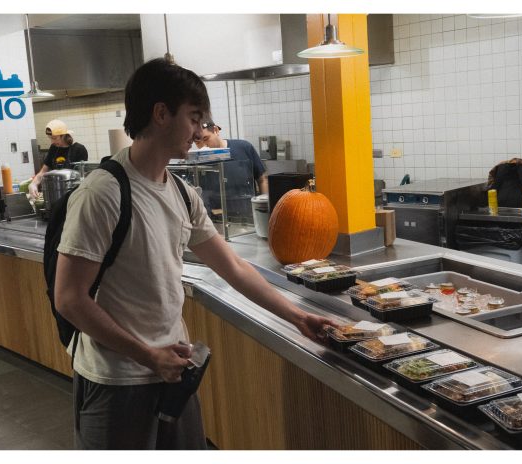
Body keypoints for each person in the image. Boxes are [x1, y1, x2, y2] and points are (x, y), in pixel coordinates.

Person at [54, 58, 336, 450]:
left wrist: (297, 315)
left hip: (173, 371)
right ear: (161, 114)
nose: (200, 131)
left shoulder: (182, 193)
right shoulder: (103, 193)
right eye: (194, 117)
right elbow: (69, 299)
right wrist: (148, 355)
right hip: (116, 380)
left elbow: (234, 267)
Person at [195, 121, 268, 195]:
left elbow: (262, 180)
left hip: (246, 204)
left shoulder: (244, 148)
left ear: (216, 130)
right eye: (198, 142)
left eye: (206, 139)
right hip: (216, 206)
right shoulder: (198, 162)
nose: (204, 146)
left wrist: (264, 204)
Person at [29, 119, 88, 198]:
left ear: (63, 135)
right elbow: (43, 171)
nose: (52, 142)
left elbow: (82, 176)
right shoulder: (54, 148)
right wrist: (33, 184)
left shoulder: (78, 149)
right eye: (50, 138)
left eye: (54, 138)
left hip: (74, 195)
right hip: (56, 193)